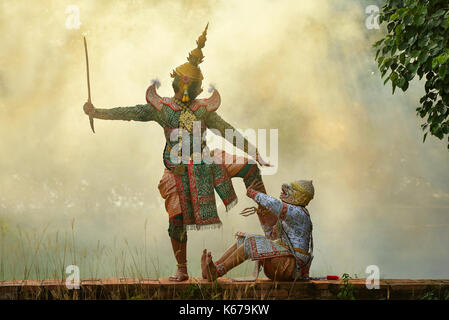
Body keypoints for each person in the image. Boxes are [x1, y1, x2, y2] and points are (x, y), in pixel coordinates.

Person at [82, 24, 270, 281]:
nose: (185, 90)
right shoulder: (161, 109)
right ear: (176, 83)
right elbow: (129, 112)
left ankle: (271, 232)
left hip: (206, 162)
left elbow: (228, 131)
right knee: (177, 218)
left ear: (197, 89)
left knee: (250, 168)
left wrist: (254, 152)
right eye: (184, 85)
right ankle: (182, 269)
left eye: (190, 86)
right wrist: (98, 112)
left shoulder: (203, 110)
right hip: (176, 169)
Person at [202, 179, 314, 281]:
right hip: (285, 264)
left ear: (299, 196)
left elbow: (274, 204)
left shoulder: (298, 213)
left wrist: (252, 193)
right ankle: (213, 268)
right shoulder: (290, 216)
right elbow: (271, 235)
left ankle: (217, 272)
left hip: (290, 267)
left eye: (291, 189)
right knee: (244, 240)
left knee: (251, 243)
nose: (285, 188)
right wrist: (262, 215)